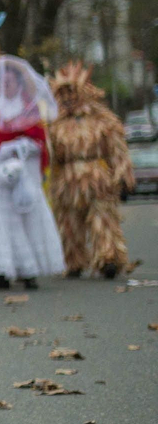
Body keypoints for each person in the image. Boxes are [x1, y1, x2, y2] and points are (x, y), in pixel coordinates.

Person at [0, 56, 64, 288]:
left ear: (20, 84)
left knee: (26, 220)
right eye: (3, 82)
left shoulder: (28, 109)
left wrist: (24, 147)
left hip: (22, 174)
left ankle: (28, 270)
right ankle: (1, 270)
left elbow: (40, 141)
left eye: (11, 82)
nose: (7, 85)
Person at [48, 62, 134, 279]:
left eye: (72, 92)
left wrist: (123, 176)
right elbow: (49, 154)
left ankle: (108, 258)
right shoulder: (54, 123)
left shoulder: (103, 120)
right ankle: (74, 261)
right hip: (66, 179)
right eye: (63, 93)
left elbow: (117, 151)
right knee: (68, 223)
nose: (68, 98)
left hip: (97, 176)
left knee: (102, 219)